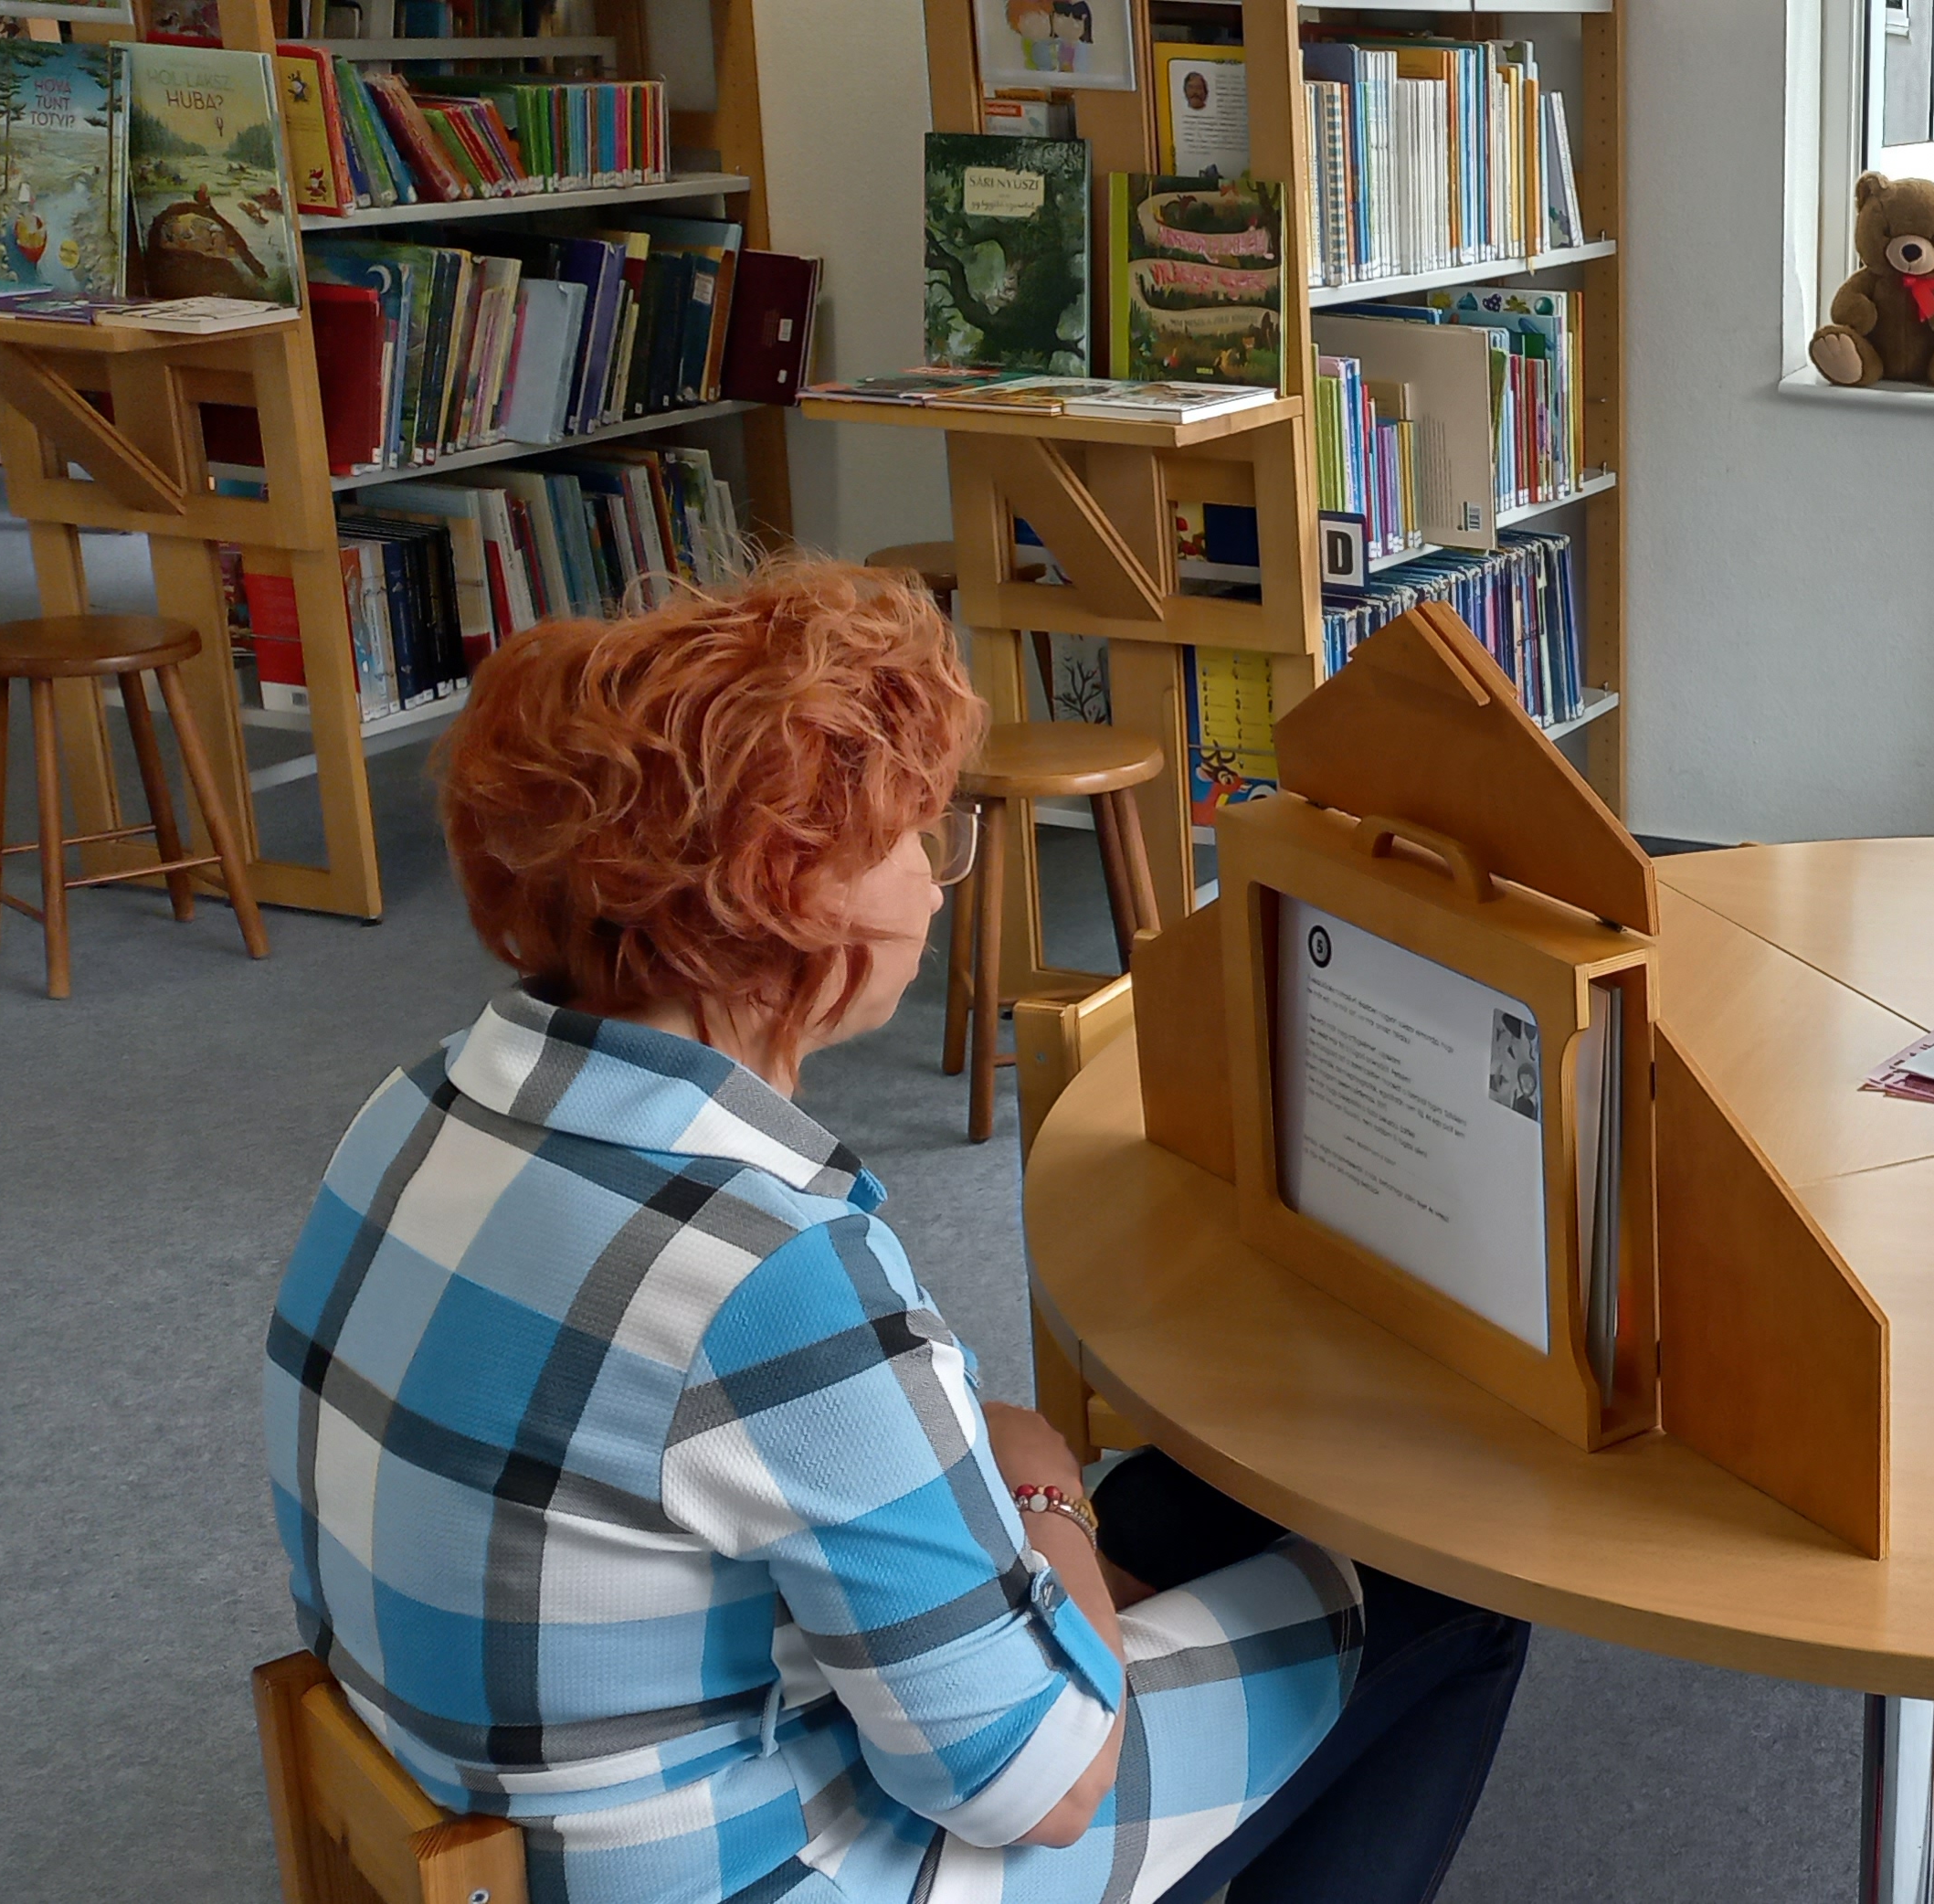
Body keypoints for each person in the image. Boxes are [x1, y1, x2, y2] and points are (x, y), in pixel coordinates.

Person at [259, 563, 1528, 1904]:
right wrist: (1042, 1488)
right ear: (787, 890)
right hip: (758, 1870)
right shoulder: (767, 1271)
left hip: (516, 1793)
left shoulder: (410, 1112)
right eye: (917, 838)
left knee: (1176, 1508)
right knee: (1448, 1590)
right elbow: (1040, 1785)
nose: (935, 886)